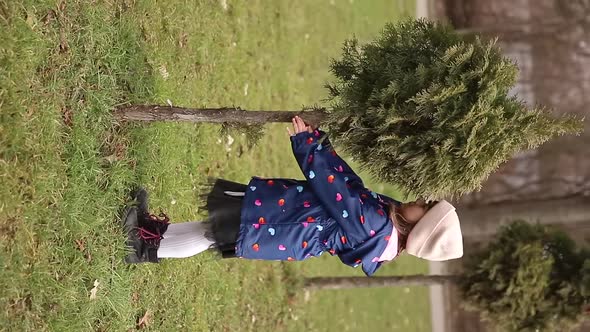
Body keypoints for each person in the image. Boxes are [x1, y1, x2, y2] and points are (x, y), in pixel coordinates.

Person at [121, 116, 463, 276]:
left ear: (417, 230)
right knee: (213, 226)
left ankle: (144, 247)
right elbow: (350, 182)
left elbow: (338, 191)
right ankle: (152, 234)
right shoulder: (382, 218)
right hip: (283, 218)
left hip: (280, 224)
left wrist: (308, 146)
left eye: (426, 208)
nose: (420, 200)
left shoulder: (375, 226)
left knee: (213, 233)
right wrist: (323, 144)